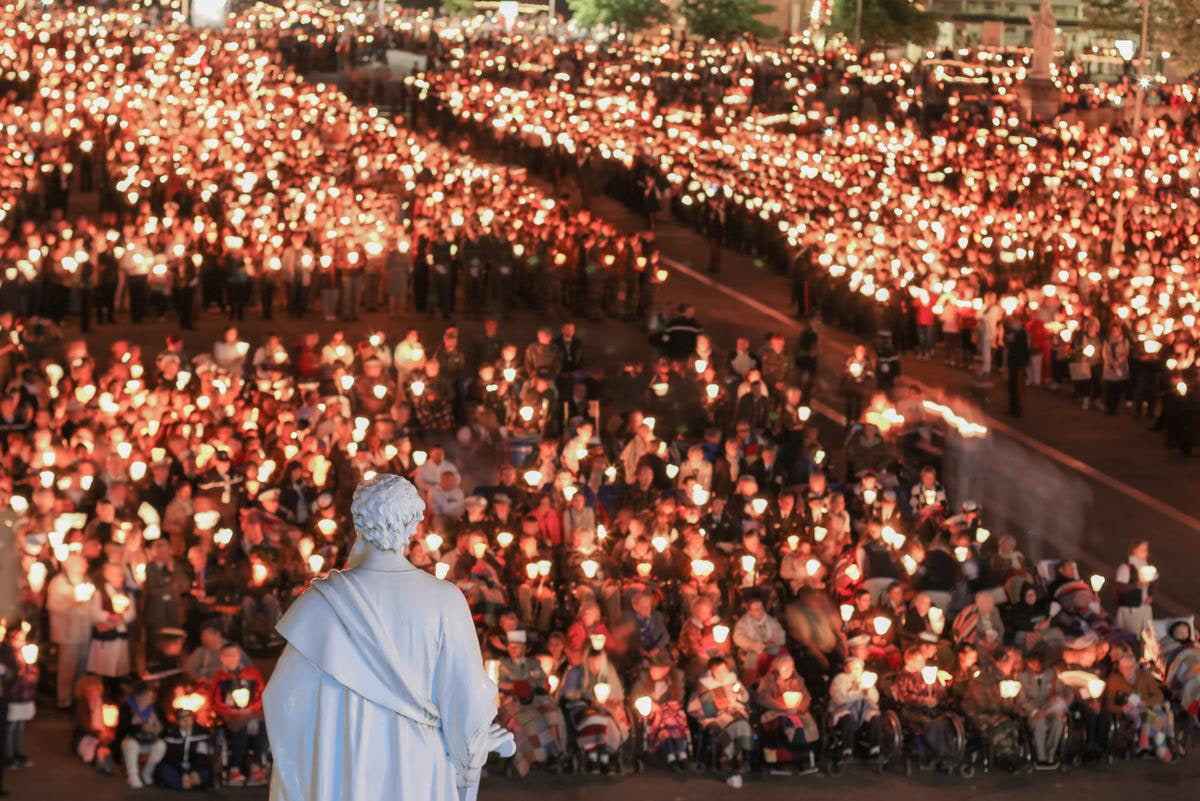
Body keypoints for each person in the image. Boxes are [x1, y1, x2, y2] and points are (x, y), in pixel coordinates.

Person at [263, 474, 513, 801]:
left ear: (358, 522)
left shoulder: (321, 603)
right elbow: (465, 698)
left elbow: (285, 702)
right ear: (413, 526)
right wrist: (475, 747)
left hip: (345, 766)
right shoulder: (444, 599)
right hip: (418, 765)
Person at [687, 656, 753, 788]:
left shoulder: (732, 680)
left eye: (724, 670)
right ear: (712, 672)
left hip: (734, 712)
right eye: (719, 672)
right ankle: (729, 765)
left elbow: (744, 697)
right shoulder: (705, 685)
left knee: (741, 724)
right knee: (727, 728)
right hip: (716, 716)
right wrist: (721, 708)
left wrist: (738, 695)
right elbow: (706, 707)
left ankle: (738, 760)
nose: (722, 674)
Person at [209, 643, 270, 786]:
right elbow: (215, 700)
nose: (231, 658)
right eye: (227, 655)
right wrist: (233, 712)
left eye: (234, 655)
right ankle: (234, 769)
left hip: (252, 713)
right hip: (229, 715)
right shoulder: (219, 678)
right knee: (240, 726)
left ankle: (257, 765)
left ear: (239, 656)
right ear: (221, 658)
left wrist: (250, 710)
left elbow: (261, 695)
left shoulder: (252, 674)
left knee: (263, 724)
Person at [46, 553, 93, 710]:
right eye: (82, 562)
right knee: (67, 667)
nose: (86, 565)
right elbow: (53, 605)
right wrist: (72, 603)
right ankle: (64, 700)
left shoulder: (86, 581)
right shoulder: (59, 582)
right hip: (68, 632)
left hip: (84, 630)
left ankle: (78, 697)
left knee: (81, 665)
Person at [1018, 645, 1070, 769]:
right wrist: (1035, 711)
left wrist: (1056, 706)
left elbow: (1060, 692)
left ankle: (1050, 754)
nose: (1033, 666)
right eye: (1031, 663)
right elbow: (1022, 700)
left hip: (1049, 708)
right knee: (1039, 723)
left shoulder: (1052, 674)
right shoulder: (1022, 677)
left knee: (1058, 722)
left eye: (1036, 663)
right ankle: (1040, 757)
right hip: (1032, 710)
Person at [117, 682, 167, 789]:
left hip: (150, 740)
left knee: (161, 745)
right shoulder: (127, 707)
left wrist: (157, 727)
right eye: (146, 696)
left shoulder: (156, 707)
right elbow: (120, 730)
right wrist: (133, 724)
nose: (150, 698)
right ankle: (133, 775)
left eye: (150, 695)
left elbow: (164, 726)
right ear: (138, 697)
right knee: (130, 745)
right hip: (133, 740)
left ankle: (147, 772)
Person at [828, 657, 881, 758]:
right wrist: (859, 693)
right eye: (855, 667)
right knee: (847, 719)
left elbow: (875, 698)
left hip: (863, 711)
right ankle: (847, 749)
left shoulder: (865, 679)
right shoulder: (841, 679)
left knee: (875, 718)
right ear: (847, 668)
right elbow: (839, 697)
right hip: (844, 709)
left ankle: (874, 749)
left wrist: (868, 691)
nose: (857, 670)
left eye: (859, 667)